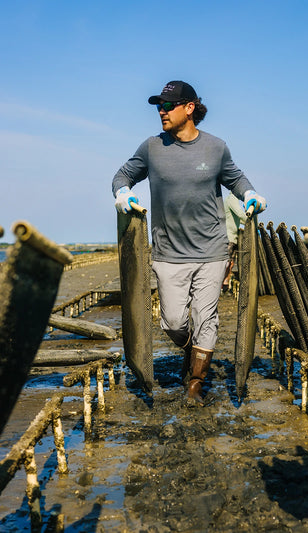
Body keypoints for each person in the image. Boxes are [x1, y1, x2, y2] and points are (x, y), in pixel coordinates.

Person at [112, 80, 267, 405]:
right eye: (159, 106)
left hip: (212, 250)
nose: (162, 111)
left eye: (168, 105)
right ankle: (190, 350)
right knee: (173, 322)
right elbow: (123, 175)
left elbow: (235, 178)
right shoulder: (152, 148)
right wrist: (122, 193)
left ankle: (195, 384)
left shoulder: (216, 148)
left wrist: (250, 193)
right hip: (168, 253)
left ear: (189, 108)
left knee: (206, 318)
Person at [222, 192, 248, 292]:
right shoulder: (232, 198)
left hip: (233, 237)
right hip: (228, 237)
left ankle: (225, 285)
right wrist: (252, 219)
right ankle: (220, 286)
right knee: (226, 263)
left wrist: (248, 222)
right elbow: (240, 214)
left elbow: (239, 219)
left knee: (231, 263)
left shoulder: (233, 199)